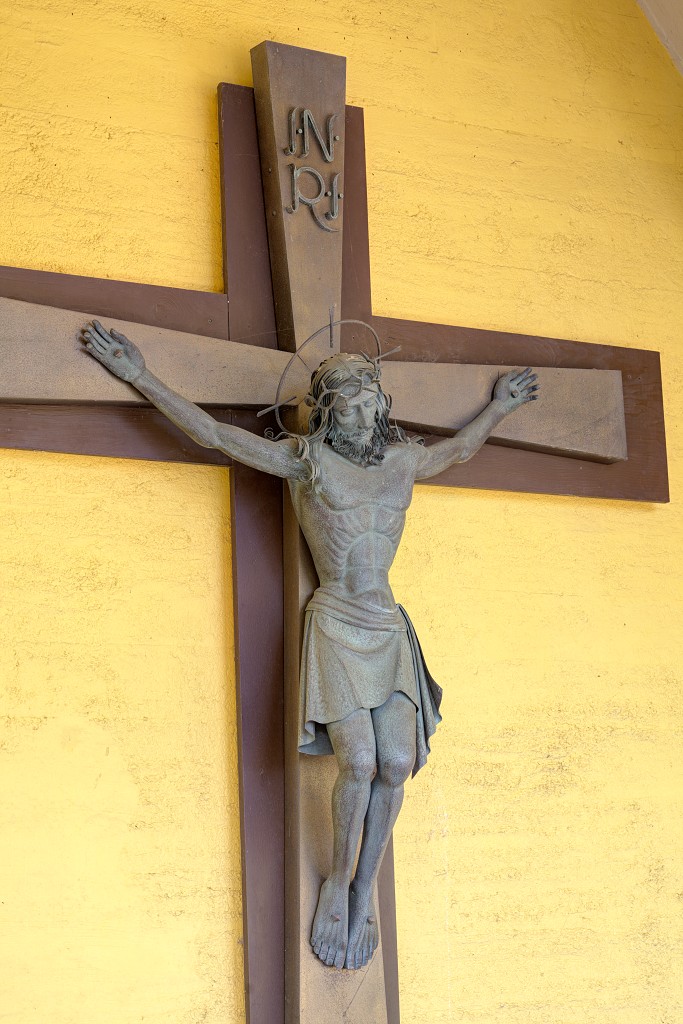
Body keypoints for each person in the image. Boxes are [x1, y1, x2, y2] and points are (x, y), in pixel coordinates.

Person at [81, 321, 538, 971]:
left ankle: (362, 888)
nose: (354, 408)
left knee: (397, 762)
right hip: (334, 622)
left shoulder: (406, 460)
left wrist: (500, 404)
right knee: (357, 762)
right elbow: (215, 435)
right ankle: (334, 882)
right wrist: (140, 376)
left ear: (381, 402)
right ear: (325, 410)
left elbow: (461, 450)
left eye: (363, 397)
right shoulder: (306, 461)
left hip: (387, 626)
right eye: (340, 399)